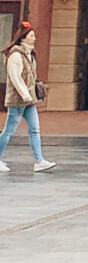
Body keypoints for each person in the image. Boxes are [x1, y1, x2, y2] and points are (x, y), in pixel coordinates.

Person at [0, 21, 56, 173]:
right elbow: (15, 78)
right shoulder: (16, 54)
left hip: (29, 100)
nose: (34, 38)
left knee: (34, 129)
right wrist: (25, 95)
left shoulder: (29, 54)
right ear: (23, 38)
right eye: (31, 36)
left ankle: (39, 160)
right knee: (8, 131)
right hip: (18, 101)